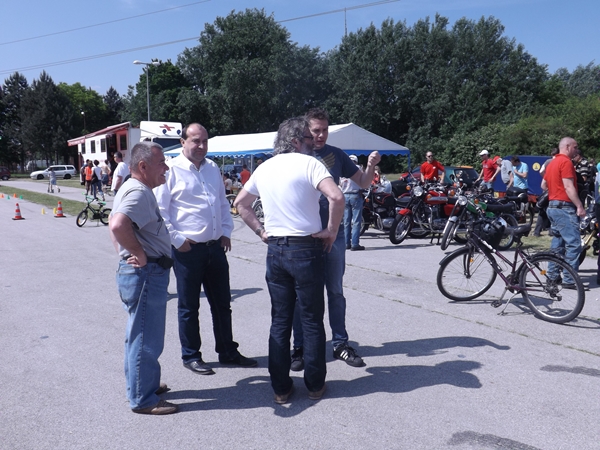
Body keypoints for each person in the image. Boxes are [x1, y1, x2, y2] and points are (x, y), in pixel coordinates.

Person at [234, 117, 344, 404]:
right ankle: (315, 385)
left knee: (280, 321)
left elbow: (241, 204)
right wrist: (331, 231)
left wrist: (261, 231)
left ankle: (281, 389)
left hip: (276, 249)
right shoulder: (310, 164)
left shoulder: (264, 167)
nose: (313, 143)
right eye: (308, 138)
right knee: (311, 319)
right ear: (296, 141)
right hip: (306, 248)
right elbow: (336, 197)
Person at [154, 123, 257, 376]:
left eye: (205, 141)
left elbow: (221, 203)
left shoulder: (212, 168)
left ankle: (227, 351)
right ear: (183, 142)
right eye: (195, 141)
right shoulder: (171, 170)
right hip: (187, 250)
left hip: (215, 248)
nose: (201, 146)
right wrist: (177, 240)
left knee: (222, 304)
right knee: (189, 307)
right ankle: (191, 355)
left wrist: (226, 231)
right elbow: (161, 212)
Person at [290, 108, 381, 371]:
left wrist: (371, 165)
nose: (320, 135)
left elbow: (362, 182)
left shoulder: (337, 155)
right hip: (303, 235)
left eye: (324, 130)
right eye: (315, 130)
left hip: (334, 233)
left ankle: (340, 343)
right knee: (300, 294)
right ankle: (300, 347)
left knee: (335, 291)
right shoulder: (295, 155)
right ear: (306, 131)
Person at [109, 141, 178, 415]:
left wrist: (125, 252)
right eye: (161, 163)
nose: (166, 168)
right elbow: (118, 225)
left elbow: (113, 224)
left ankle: (142, 385)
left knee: (138, 334)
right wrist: (137, 252)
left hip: (141, 273)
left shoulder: (131, 188)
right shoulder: (138, 192)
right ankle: (143, 398)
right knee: (146, 338)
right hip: (146, 274)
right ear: (143, 166)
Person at [541, 137, 586, 288]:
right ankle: (569, 279)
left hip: (553, 207)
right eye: (575, 147)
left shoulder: (552, 163)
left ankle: (552, 276)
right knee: (574, 244)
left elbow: (543, 185)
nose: (576, 150)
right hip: (564, 207)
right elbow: (568, 186)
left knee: (558, 243)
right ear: (567, 147)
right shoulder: (566, 162)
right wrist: (579, 206)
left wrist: (555, 189)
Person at [340, 155, 365, 251]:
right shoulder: (358, 169)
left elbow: (340, 183)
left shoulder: (342, 169)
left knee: (346, 221)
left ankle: (346, 243)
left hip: (345, 195)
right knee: (356, 221)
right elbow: (363, 181)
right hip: (355, 195)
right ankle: (355, 244)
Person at [534, 148, 559, 237]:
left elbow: (541, 171)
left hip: (547, 187)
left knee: (542, 210)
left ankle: (537, 231)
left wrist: (546, 177)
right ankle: (551, 230)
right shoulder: (559, 162)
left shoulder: (547, 161)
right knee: (554, 209)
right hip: (555, 189)